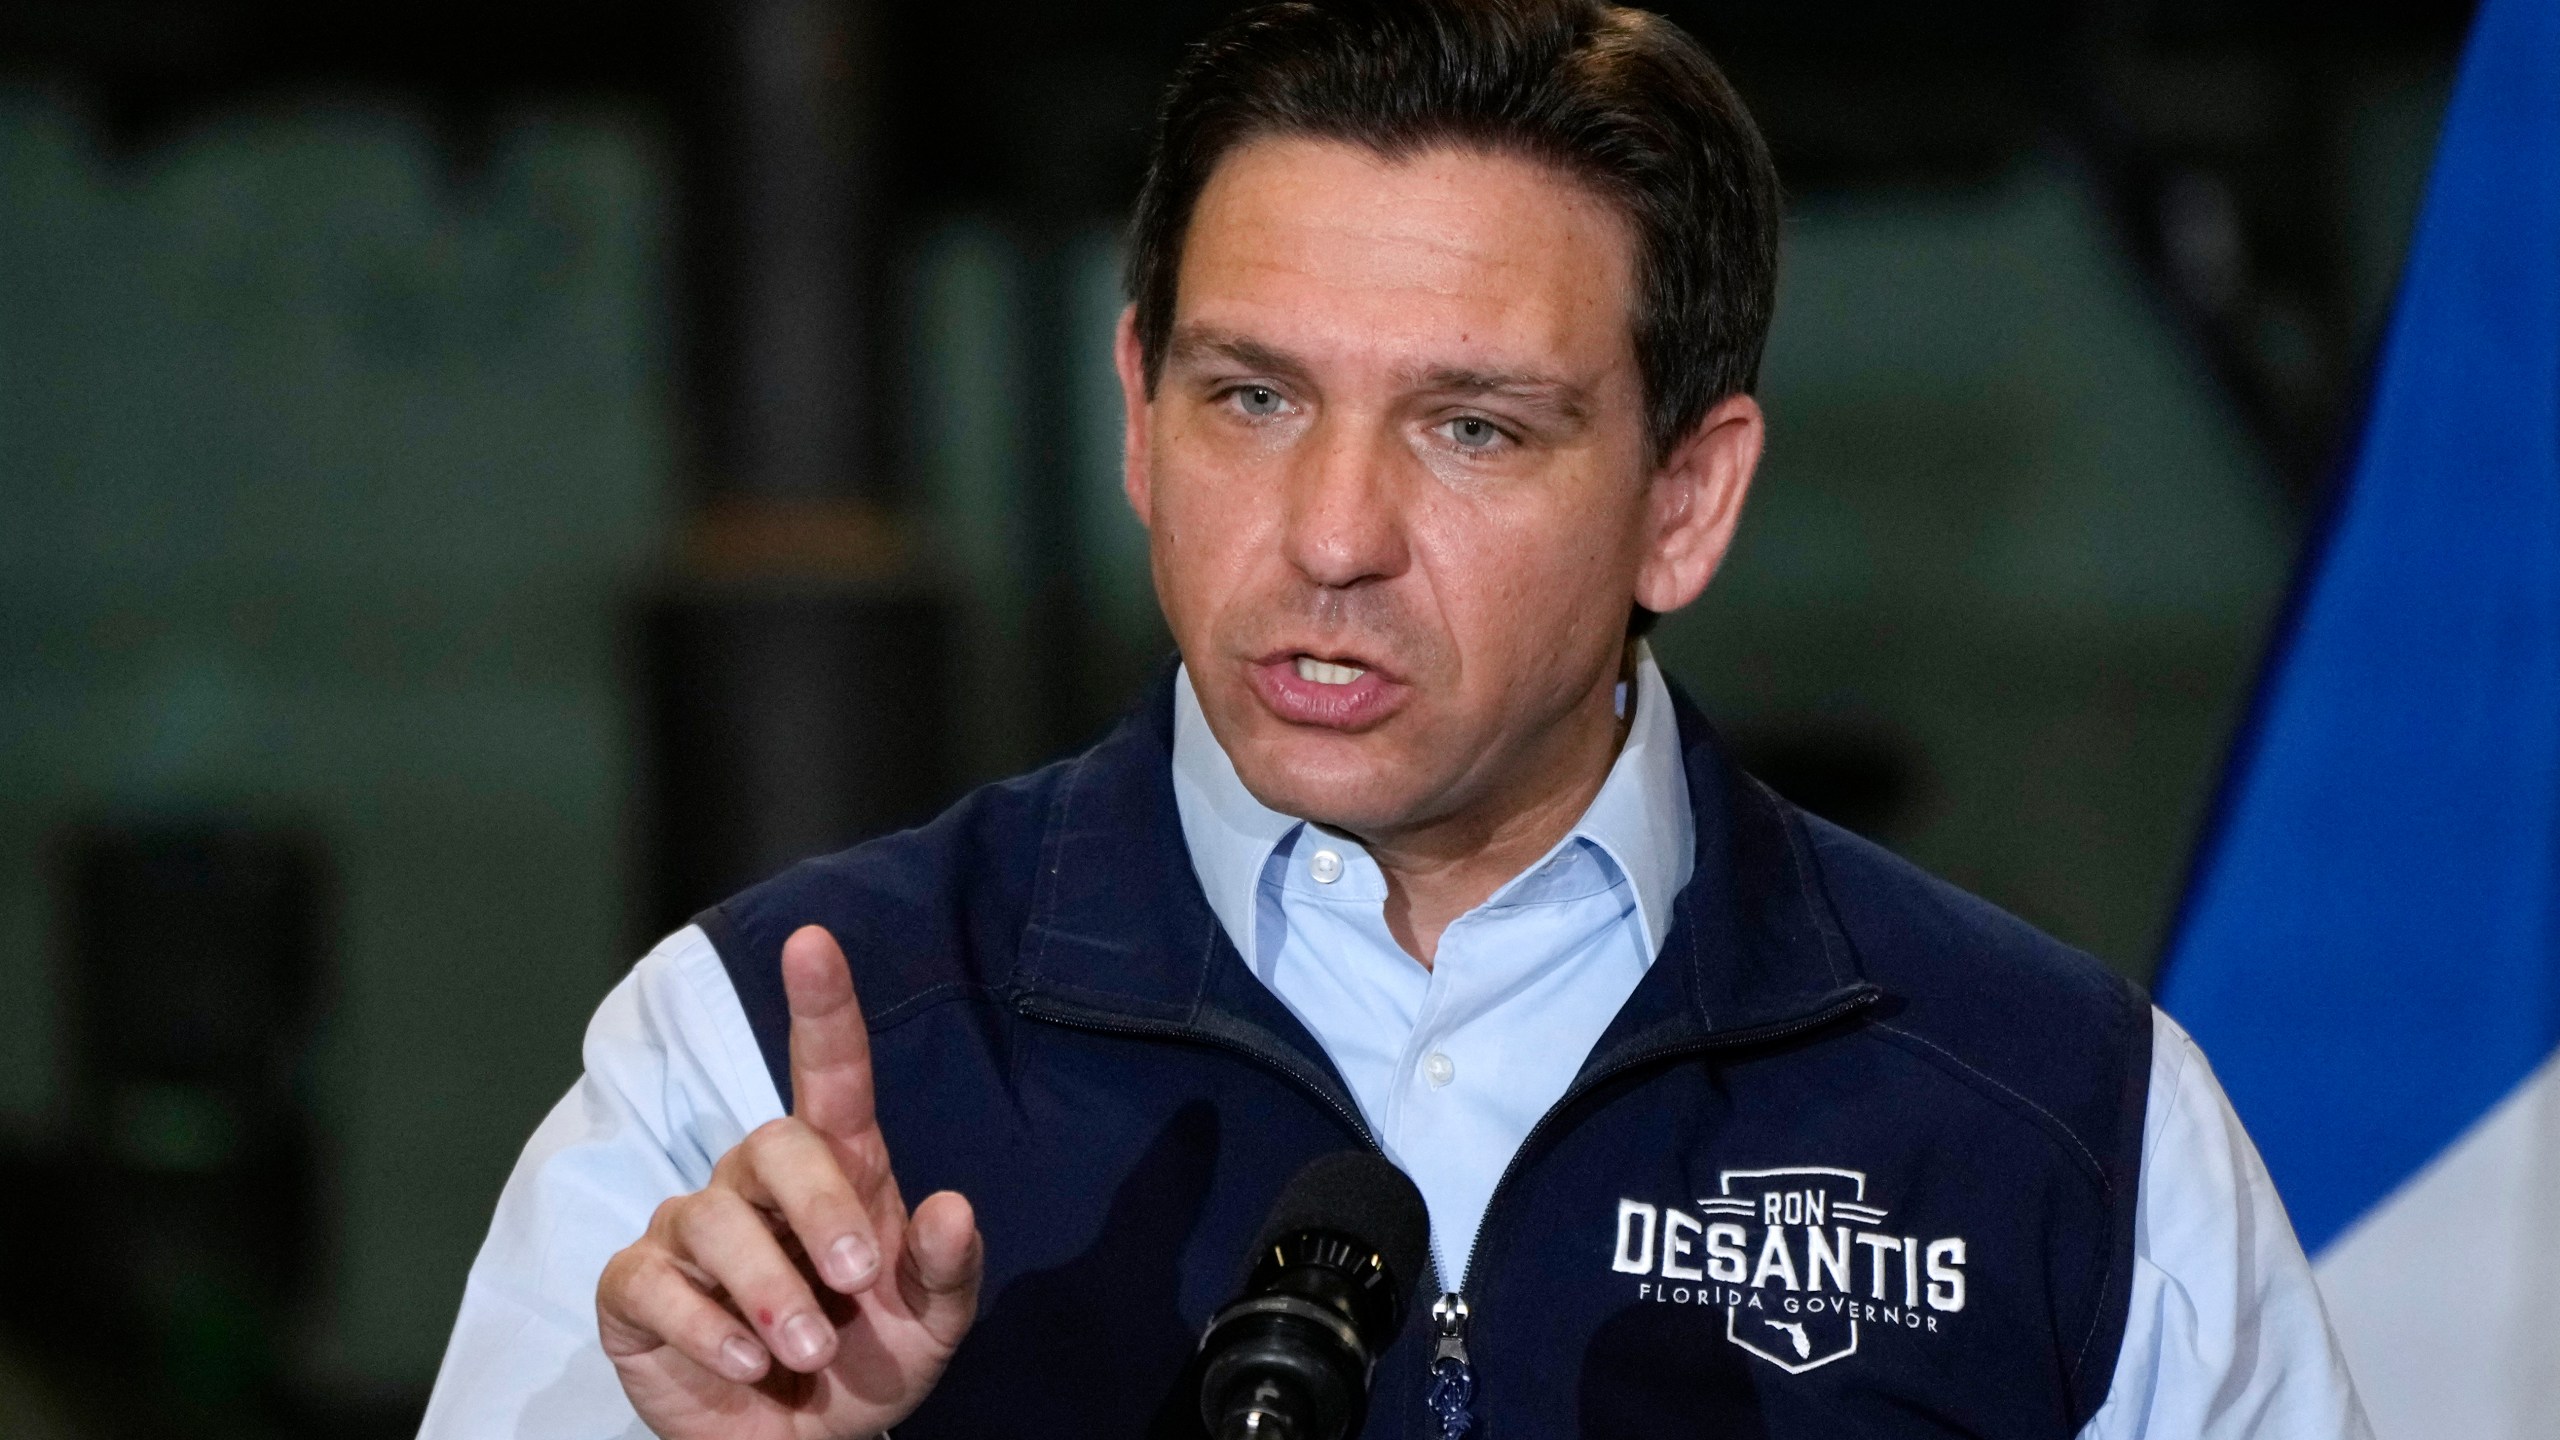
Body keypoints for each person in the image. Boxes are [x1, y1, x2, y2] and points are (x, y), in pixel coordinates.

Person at [421, 1, 2371, 1435]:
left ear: (1682, 501)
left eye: (1469, 428)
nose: (1328, 537)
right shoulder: (747, 1069)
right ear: (1133, 411)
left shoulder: (2064, 1129)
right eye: (1249, 398)